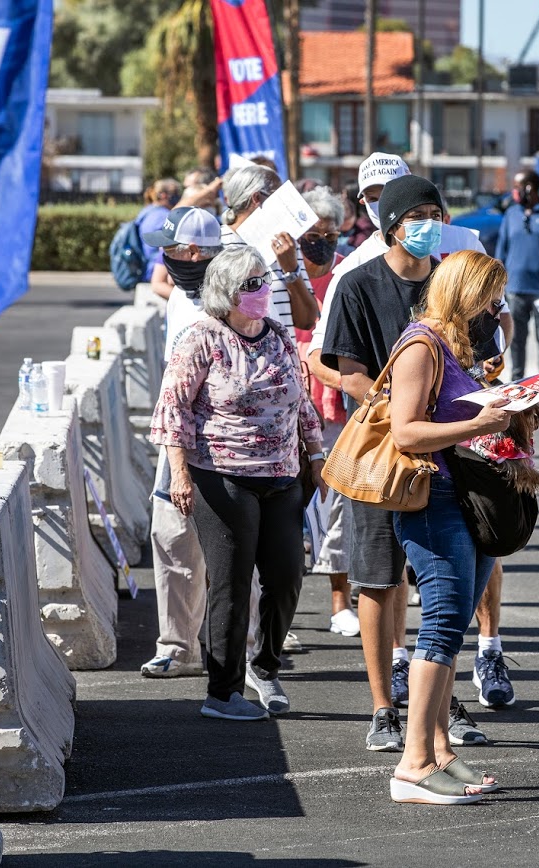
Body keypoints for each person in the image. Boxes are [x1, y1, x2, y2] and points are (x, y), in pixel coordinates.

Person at [321, 175, 487, 750]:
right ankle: (382, 708)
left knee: (448, 585)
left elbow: (485, 355)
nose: (427, 224)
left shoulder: (452, 282)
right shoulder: (357, 283)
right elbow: (347, 369)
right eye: (415, 215)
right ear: (390, 225)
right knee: (378, 577)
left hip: (455, 455)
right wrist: (403, 410)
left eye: (435, 213)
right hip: (385, 455)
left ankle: (443, 705)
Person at [150, 245, 326, 721]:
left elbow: (302, 402)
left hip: (283, 474)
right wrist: (180, 473)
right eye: (251, 284)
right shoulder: (201, 338)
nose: (263, 290)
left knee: (288, 575)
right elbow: (173, 410)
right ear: (225, 292)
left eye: (264, 280)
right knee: (230, 581)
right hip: (222, 477)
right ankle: (222, 692)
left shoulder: (279, 337)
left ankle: (265, 666)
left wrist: (316, 454)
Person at [386, 249, 514, 806]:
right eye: (489, 297)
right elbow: (406, 433)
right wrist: (478, 420)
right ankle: (412, 765)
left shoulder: (453, 345)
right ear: (464, 294)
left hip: (460, 493)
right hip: (431, 496)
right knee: (441, 620)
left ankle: (438, 749)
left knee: (455, 618)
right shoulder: (421, 345)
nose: (495, 308)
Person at [138, 206, 225, 678]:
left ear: (194, 252)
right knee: (171, 534)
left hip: (230, 440)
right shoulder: (177, 297)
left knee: (235, 547)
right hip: (177, 435)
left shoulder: (235, 293)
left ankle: (244, 648)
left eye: (169, 248)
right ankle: (177, 646)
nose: (164, 257)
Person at [292, 186, 359, 638]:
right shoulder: (283, 273)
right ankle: (281, 616)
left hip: (334, 402)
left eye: (332, 233)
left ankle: (340, 603)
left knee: (338, 502)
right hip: (290, 399)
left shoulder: (349, 271)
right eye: (314, 233)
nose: (324, 241)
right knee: (289, 509)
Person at [220, 164, 320, 338]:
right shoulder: (217, 245)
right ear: (257, 198)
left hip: (283, 362)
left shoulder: (286, 246)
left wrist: (291, 271)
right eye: (279, 197)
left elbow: (307, 321)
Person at [495, 169, 539, 377]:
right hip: (515, 289)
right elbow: (501, 250)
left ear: (529, 188)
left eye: (517, 187)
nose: (514, 192)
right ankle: (517, 384)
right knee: (516, 340)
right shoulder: (511, 214)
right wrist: (499, 286)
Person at [139, 179, 183, 288]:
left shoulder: (146, 211)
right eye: (175, 194)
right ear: (163, 195)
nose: (178, 197)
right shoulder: (165, 216)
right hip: (159, 270)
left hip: (146, 268)